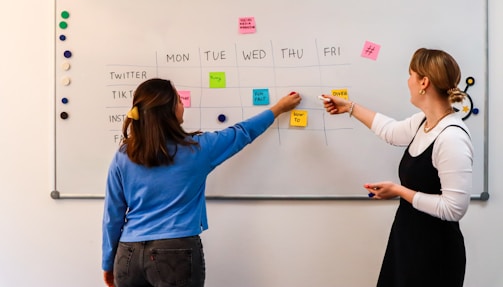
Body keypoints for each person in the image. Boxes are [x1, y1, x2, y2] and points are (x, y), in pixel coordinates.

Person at [102, 78, 301, 287]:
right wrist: (278, 108)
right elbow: (243, 132)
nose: (183, 105)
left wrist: (108, 262)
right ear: (169, 111)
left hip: (128, 255)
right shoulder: (197, 149)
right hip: (175, 252)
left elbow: (112, 215)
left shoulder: (123, 155)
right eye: (179, 100)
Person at [321, 48, 473, 287]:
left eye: (410, 74)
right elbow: (390, 131)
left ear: (424, 82)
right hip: (407, 240)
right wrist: (349, 107)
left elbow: (454, 208)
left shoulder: (451, 137)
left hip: (435, 253)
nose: (407, 81)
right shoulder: (423, 122)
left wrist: (399, 191)